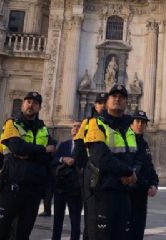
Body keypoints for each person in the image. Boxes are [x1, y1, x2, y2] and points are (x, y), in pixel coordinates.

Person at [0, 91, 56, 240]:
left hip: (33, 191)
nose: (31, 105)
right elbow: (17, 147)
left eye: (35, 103)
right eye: (28, 102)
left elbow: (51, 155)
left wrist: (26, 154)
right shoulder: (11, 123)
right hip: (11, 187)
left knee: (23, 234)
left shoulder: (44, 130)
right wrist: (42, 150)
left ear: (39, 107)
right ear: (23, 104)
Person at [83, 84, 140, 240]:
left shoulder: (129, 129)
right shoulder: (95, 124)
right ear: (107, 101)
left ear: (126, 103)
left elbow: (137, 156)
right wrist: (128, 172)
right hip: (102, 192)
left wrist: (134, 172)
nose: (117, 99)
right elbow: (100, 156)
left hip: (123, 193)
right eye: (114, 96)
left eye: (122, 97)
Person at [73, 92, 108, 240]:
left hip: (107, 174)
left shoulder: (113, 124)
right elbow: (79, 148)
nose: (102, 105)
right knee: (91, 216)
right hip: (91, 174)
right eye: (100, 103)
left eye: (105, 102)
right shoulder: (87, 123)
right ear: (95, 105)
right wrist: (85, 169)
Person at [128, 109, 159, 240]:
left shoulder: (144, 143)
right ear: (131, 123)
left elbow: (149, 166)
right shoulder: (127, 141)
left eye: (143, 122)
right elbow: (131, 169)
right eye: (137, 121)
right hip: (130, 194)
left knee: (139, 229)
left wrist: (154, 183)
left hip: (141, 195)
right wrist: (147, 186)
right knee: (128, 231)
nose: (140, 125)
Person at [51, 120, 83, 240]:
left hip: (76, 189)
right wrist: (63, 159)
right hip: (61, 187)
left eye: (78, 127)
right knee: (57, 220)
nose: (75, 129)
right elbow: (54, 160)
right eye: (74, 126)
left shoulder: (85, 147)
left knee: (75, 221)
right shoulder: (64, 145)